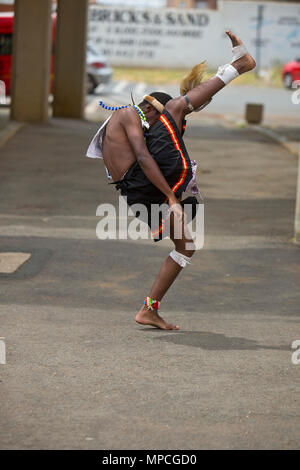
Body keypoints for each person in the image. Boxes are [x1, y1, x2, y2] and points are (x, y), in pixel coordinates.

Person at [86, 30, 256, 330]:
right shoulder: (127, 114)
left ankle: (149, 309)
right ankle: (238, 67)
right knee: (178, 106)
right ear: (149, 107)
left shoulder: (130, 122)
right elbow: (143, 156)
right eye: (155, 119)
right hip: (144, 187)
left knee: (186, 245)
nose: (155, 126)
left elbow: (145, 151)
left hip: (139, 192)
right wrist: (172, 198)